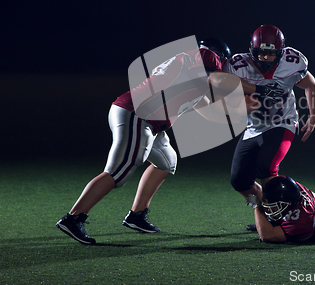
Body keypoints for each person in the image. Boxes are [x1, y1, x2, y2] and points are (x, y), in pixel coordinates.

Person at [56, 38, 264, 245]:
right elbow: (211, 72)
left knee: (167, 161)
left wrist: (239, 110)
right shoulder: (203, 56)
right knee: (119, 171)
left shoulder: (191, 74)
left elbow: (208, 108)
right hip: (138, 115)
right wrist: (247, 89)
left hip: (147, 121)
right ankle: (73, 218)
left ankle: (136, 215)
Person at [222, 25, 315, 208]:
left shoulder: (292, 63)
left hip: (283, 122)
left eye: (271, 53)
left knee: (266, 167)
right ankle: (264, 211)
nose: (265, 58)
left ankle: (279, 220)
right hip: (253, 127)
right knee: (239, 180)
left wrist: (313, 115)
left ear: (281, 52)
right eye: (260, 53)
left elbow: (310, 84)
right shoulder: (238, 66)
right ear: (252, 50)